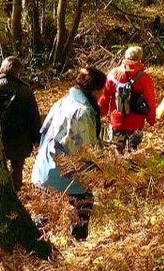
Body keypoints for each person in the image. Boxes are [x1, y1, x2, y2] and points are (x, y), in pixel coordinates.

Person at [31, 67, 107, 240]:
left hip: (44, 169)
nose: (103, 93)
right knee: (83, 206)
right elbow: (87, 151)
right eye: (103, 89)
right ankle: (77, 246)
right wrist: (104, 169)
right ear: (96, 90)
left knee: (43, 217)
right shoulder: (82, 111)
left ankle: (37, 247)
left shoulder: (63, 101)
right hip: (63, 174)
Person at [0, 57, 42, 190]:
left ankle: (1, 192)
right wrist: (37, 139)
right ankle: (15, 192)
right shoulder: (24, 90)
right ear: (18, 72)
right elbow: (33, 117)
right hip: (19, 138)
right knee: (17, 169)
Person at [99, 46, 156, 152]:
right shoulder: (145, 79)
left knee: (115, 153)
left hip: (116, 121)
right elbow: (150, 101)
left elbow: (104, 96)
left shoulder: (113, 74)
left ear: (125, 57)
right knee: (133, 153)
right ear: (140, 59)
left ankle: (115, 168)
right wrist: (151, 120)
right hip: (136, 123)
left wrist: (101, 113)